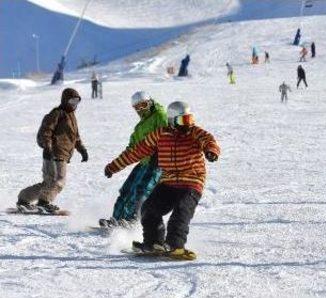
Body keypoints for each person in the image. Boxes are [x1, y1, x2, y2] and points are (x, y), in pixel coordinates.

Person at [104, 101, 221, 259]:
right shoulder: (160, 135)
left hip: (191, 182)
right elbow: (136, 152)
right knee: (149, 208)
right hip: (168, 183)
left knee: (181, 211)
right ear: (172, 120)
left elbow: (209, 140)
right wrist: (113, 166)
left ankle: (175, 245)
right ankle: (153, 242)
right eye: (182, 121)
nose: (188, 124)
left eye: (189, 119)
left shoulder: (195, 132)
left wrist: (211, 151)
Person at [99, 91, 168, 228]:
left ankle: (133, 219)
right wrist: (114, 166)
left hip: (157, 163)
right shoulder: (139, 127)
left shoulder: (160, 115)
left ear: (150, 102)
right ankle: (117, 218)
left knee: (142, 190)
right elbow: (131, 150)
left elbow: (168, 136)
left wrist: (161, 155)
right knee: (126, 190)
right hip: (144, 163)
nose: (141, 109)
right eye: (137, 107)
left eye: (144, 105)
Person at [16, 88, 88, 214]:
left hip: (60, 153)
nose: (74, 104)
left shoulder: (71, 116)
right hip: (55, 152)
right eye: (72, 100)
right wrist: (48, 146)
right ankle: (44, 202)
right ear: (65, 100)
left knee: (48, 183)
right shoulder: (57, 113)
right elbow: (46, 131)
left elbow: (75, 136)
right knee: (58, 180)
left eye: (77, 101)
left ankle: (24, 198)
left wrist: (82, 149)